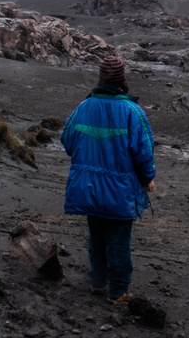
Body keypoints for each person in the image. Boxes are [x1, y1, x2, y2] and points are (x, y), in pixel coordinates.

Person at [60, 55, 156, 304]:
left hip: (89, 188)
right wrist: (149, 179)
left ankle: (97, 282)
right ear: (122, 79)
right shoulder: (132, 112)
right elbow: (143, 152)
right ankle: (118, 292)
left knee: (96, 236)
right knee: (118, 241)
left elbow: (67, 140)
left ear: (101, 77)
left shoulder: (84, 107)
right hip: (120, 192)